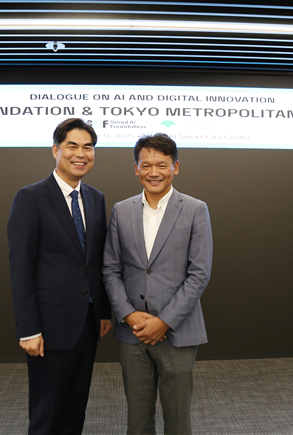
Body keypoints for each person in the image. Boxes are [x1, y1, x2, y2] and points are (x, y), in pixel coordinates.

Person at [103, 133, 213, 435]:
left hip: (177, 332)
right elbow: (110, 269)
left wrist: (164, 321)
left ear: (175, 167)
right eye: (146, 165)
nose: (154, 172)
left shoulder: (195, 209)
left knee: (177, 420)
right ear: (136, 169)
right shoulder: (121, 210)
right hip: (133, 332)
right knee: (137, 420)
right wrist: (129, 315)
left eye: (162, 165)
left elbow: (199, 273)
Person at [8, 118, 112, 435]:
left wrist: (103, 312)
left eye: (88, 147)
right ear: (55, 150)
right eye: (72, 146)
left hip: (87, 324)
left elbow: (96, 260)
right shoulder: (31, 197)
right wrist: (28, 329)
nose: (81, 154)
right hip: (49, 327)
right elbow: (21, 267)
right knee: (47, 414)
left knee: (74, 410)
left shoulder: (95, 198)